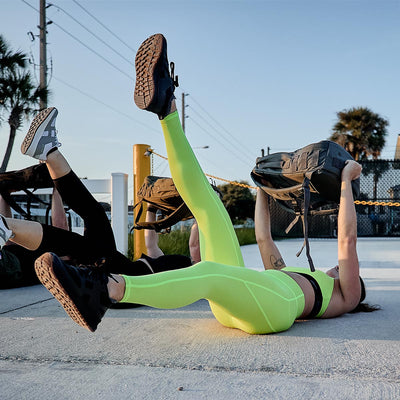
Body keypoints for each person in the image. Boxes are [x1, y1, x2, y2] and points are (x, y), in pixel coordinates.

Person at [33, 33, 378, 334]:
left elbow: (346, 240)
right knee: (210, 210)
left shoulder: (346, 295)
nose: (338, 268)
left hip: (271, 310)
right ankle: (165, 107)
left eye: (346, 272)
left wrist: (346, 181)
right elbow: (262, 237)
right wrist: (262, 189)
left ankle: (103, 291)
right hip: (244, 295)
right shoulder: (290, 272)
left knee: (208, 271)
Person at [0, 107, 192, 287]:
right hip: (119, 273)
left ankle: (48, 151)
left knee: (93, 220)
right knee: (86, 231)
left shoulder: (199, 272)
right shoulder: (184, 269)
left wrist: (201, 212)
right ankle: (6, 225)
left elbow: (194, 244)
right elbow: (151, 244)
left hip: (122, 280)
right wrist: (151, 207)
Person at [0, 184, 68, 288]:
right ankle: (4, 193)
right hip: (15, 268)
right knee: (62, 244)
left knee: (9, 242)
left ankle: (4, 192)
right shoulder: (60, 264)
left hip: (13, 268)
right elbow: (61, 227)